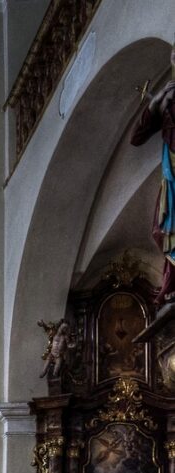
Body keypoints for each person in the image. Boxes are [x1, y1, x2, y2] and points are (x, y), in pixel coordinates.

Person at [129, 45, 175, 304]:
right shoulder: (170, 99)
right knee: (163, 229)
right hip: (172, 173)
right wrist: (157, 103)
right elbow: (136, 137)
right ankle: (171, 282)